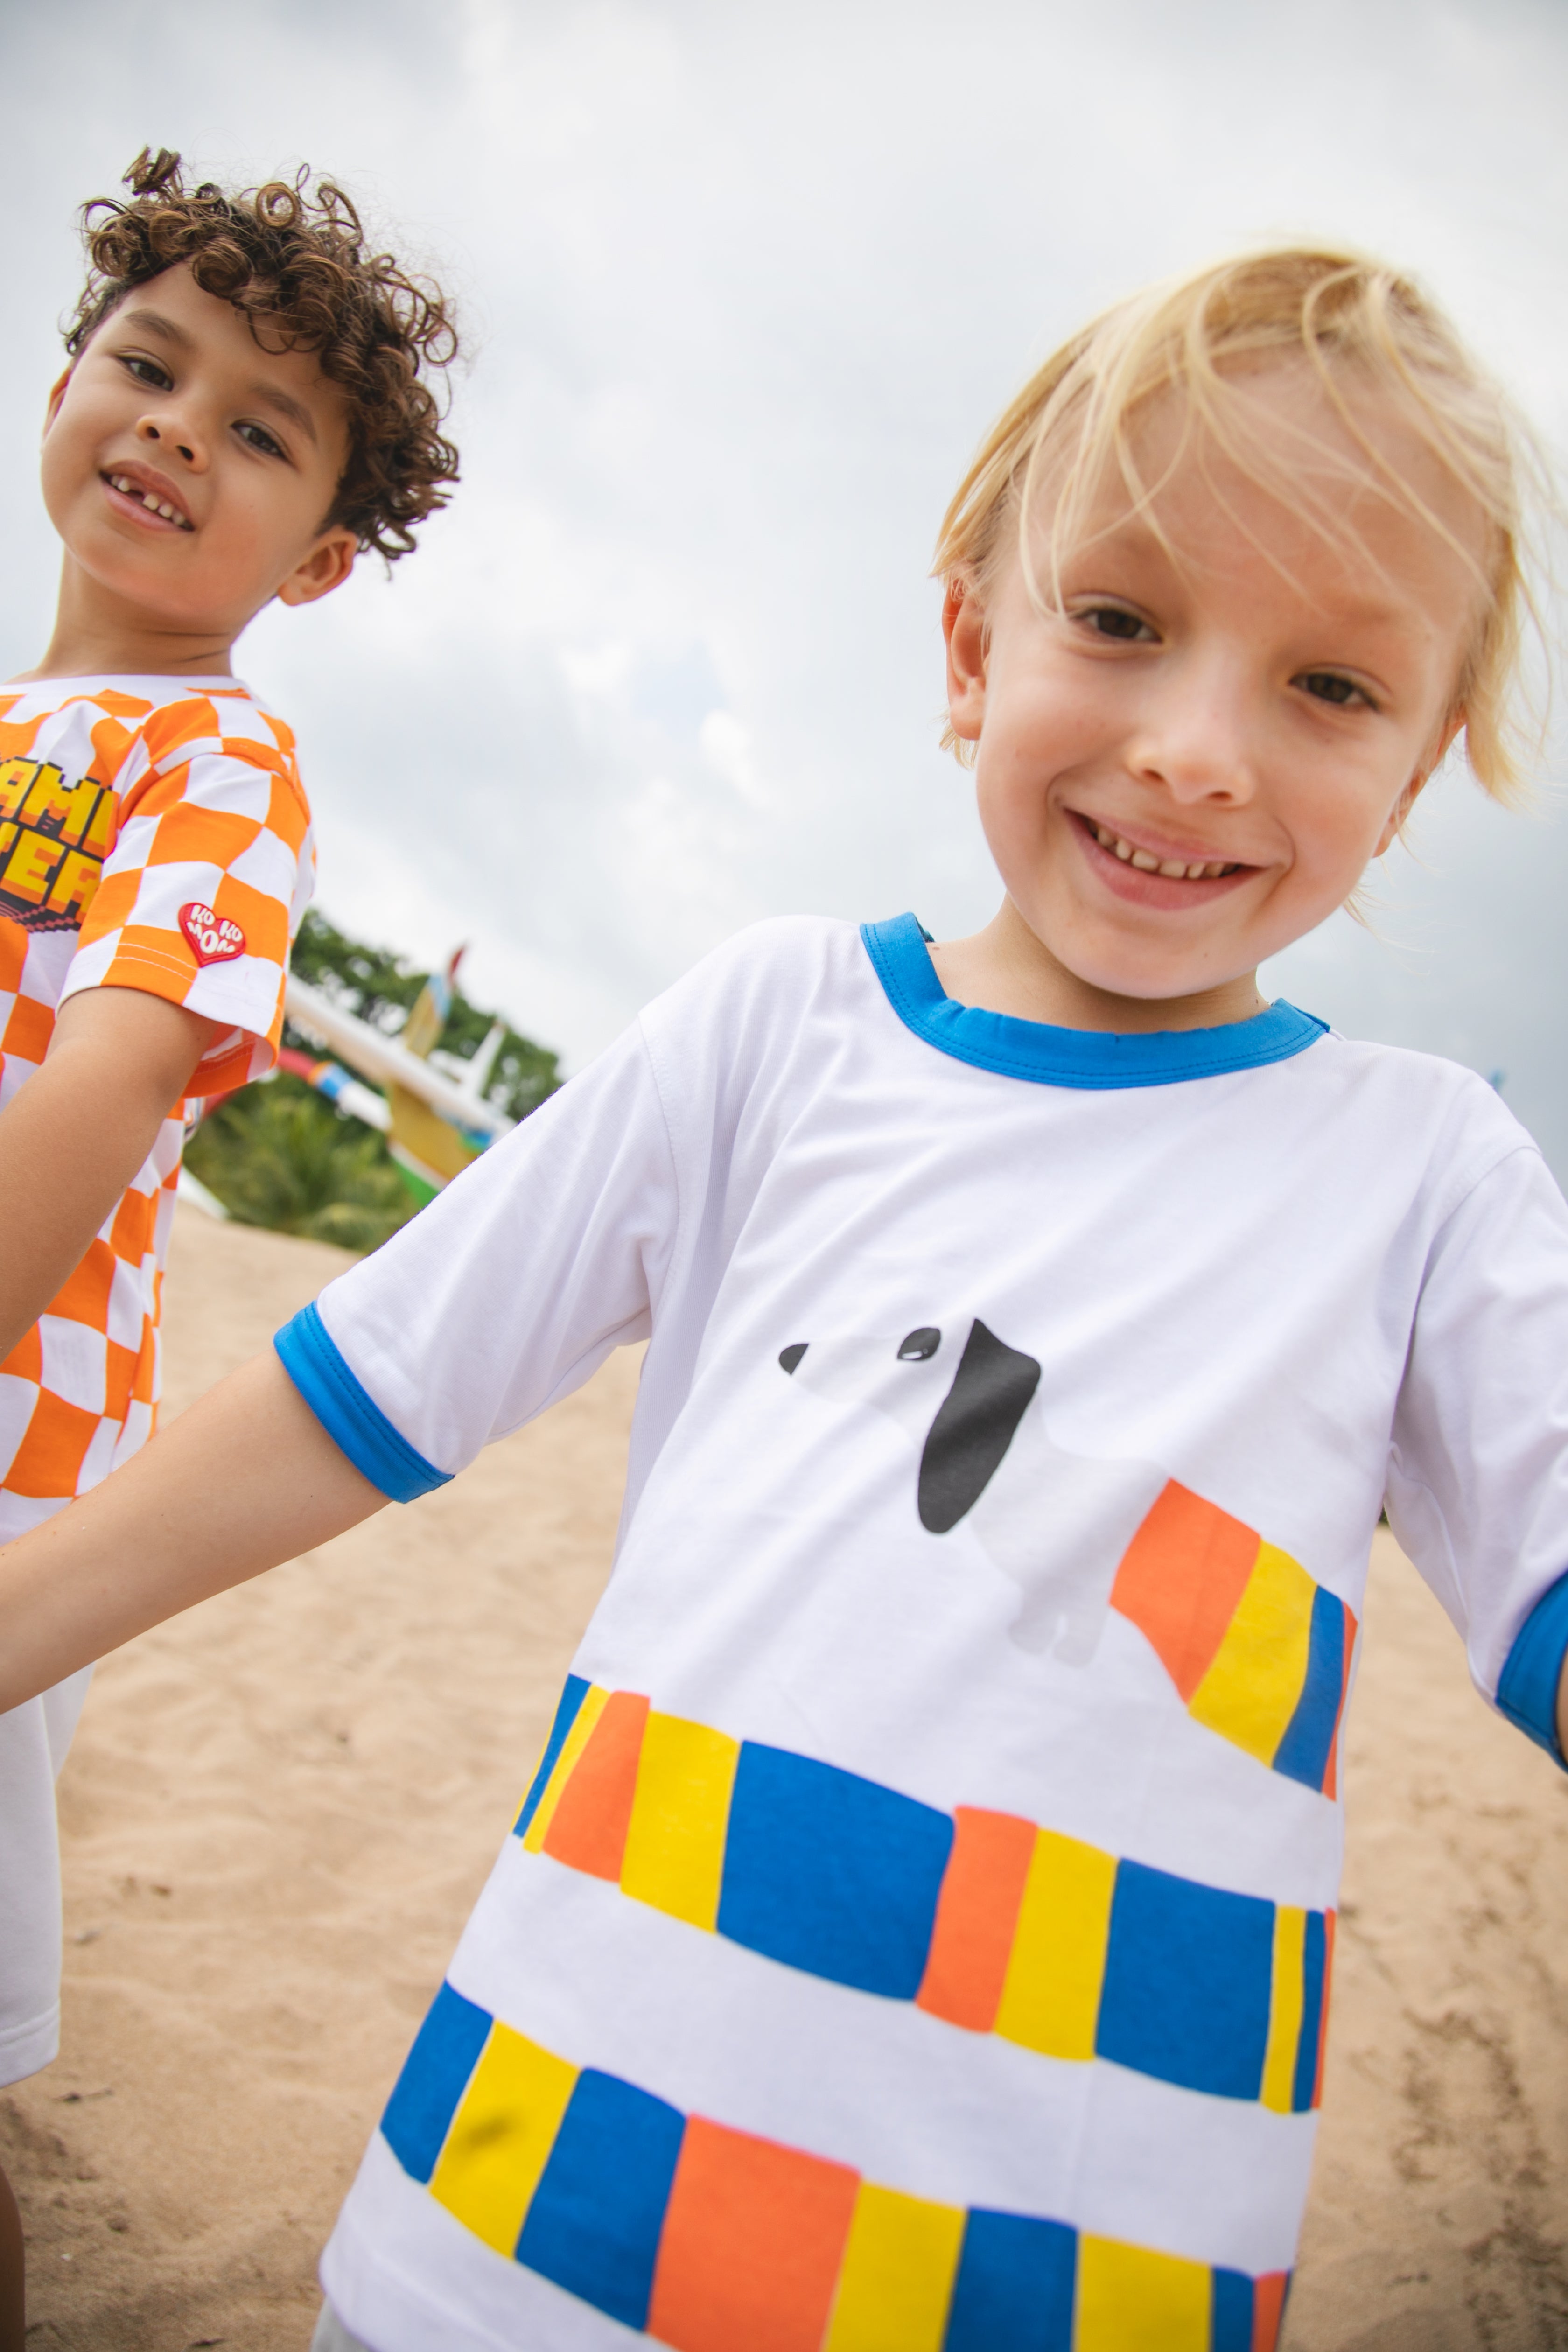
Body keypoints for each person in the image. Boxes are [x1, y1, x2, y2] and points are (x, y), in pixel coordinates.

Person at [0, 245, 1561, 2352]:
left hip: (1074, 2287)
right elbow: (347, 1399)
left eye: (1333, 686)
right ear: (966, 639)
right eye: (1119, 622)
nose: (1197, 751)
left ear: (1430, 750)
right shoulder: (775, 1033)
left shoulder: (1425, 1178)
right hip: (516, 2230)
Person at [0, 148, 458, 2346]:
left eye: (256, 429)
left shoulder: (216, 756)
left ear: (327, 555)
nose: (177, 425)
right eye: (146, 364)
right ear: (66, 379)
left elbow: (104, 1079)